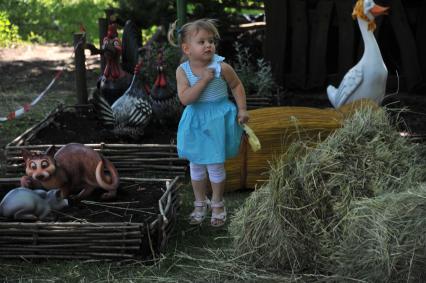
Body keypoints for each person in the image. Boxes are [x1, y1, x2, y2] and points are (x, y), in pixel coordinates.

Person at [168, 19, 249, 227]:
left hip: (217, 121)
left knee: (214, 164)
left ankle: (217, 203)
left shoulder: (221, 67)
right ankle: (199, 202)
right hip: (196, 121)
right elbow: (186, 99)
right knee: (196, 165)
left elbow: (236, 85)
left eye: (211, 41)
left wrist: (242, 109)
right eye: (201, 41)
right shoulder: (183, 71)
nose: (208, 45)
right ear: (187, 49)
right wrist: (203, 79)